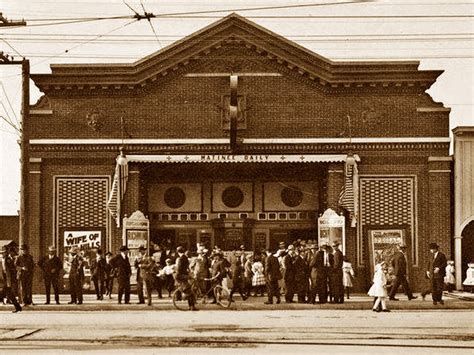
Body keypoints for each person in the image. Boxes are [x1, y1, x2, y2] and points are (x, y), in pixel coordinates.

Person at [175, 246, 197, 311]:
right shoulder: (185, 258)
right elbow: (186, 268)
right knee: (189, 292)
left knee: (189, 291)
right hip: (183, 276)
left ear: (178, 252)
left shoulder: (180, 258)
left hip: (181, 276)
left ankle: (191, 306)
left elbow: (179, 268)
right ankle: (191, 306)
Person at [1, 246, 22, 313]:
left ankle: (17, 307)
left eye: (4, 253)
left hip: (8, 279)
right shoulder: (2, 260)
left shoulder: (8, 260)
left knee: (6, 292)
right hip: (3, 278)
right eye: (1, 253)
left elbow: (13, 269)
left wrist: (12, 279)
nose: (2, 254)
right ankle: (18, 307)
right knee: (9, 294)